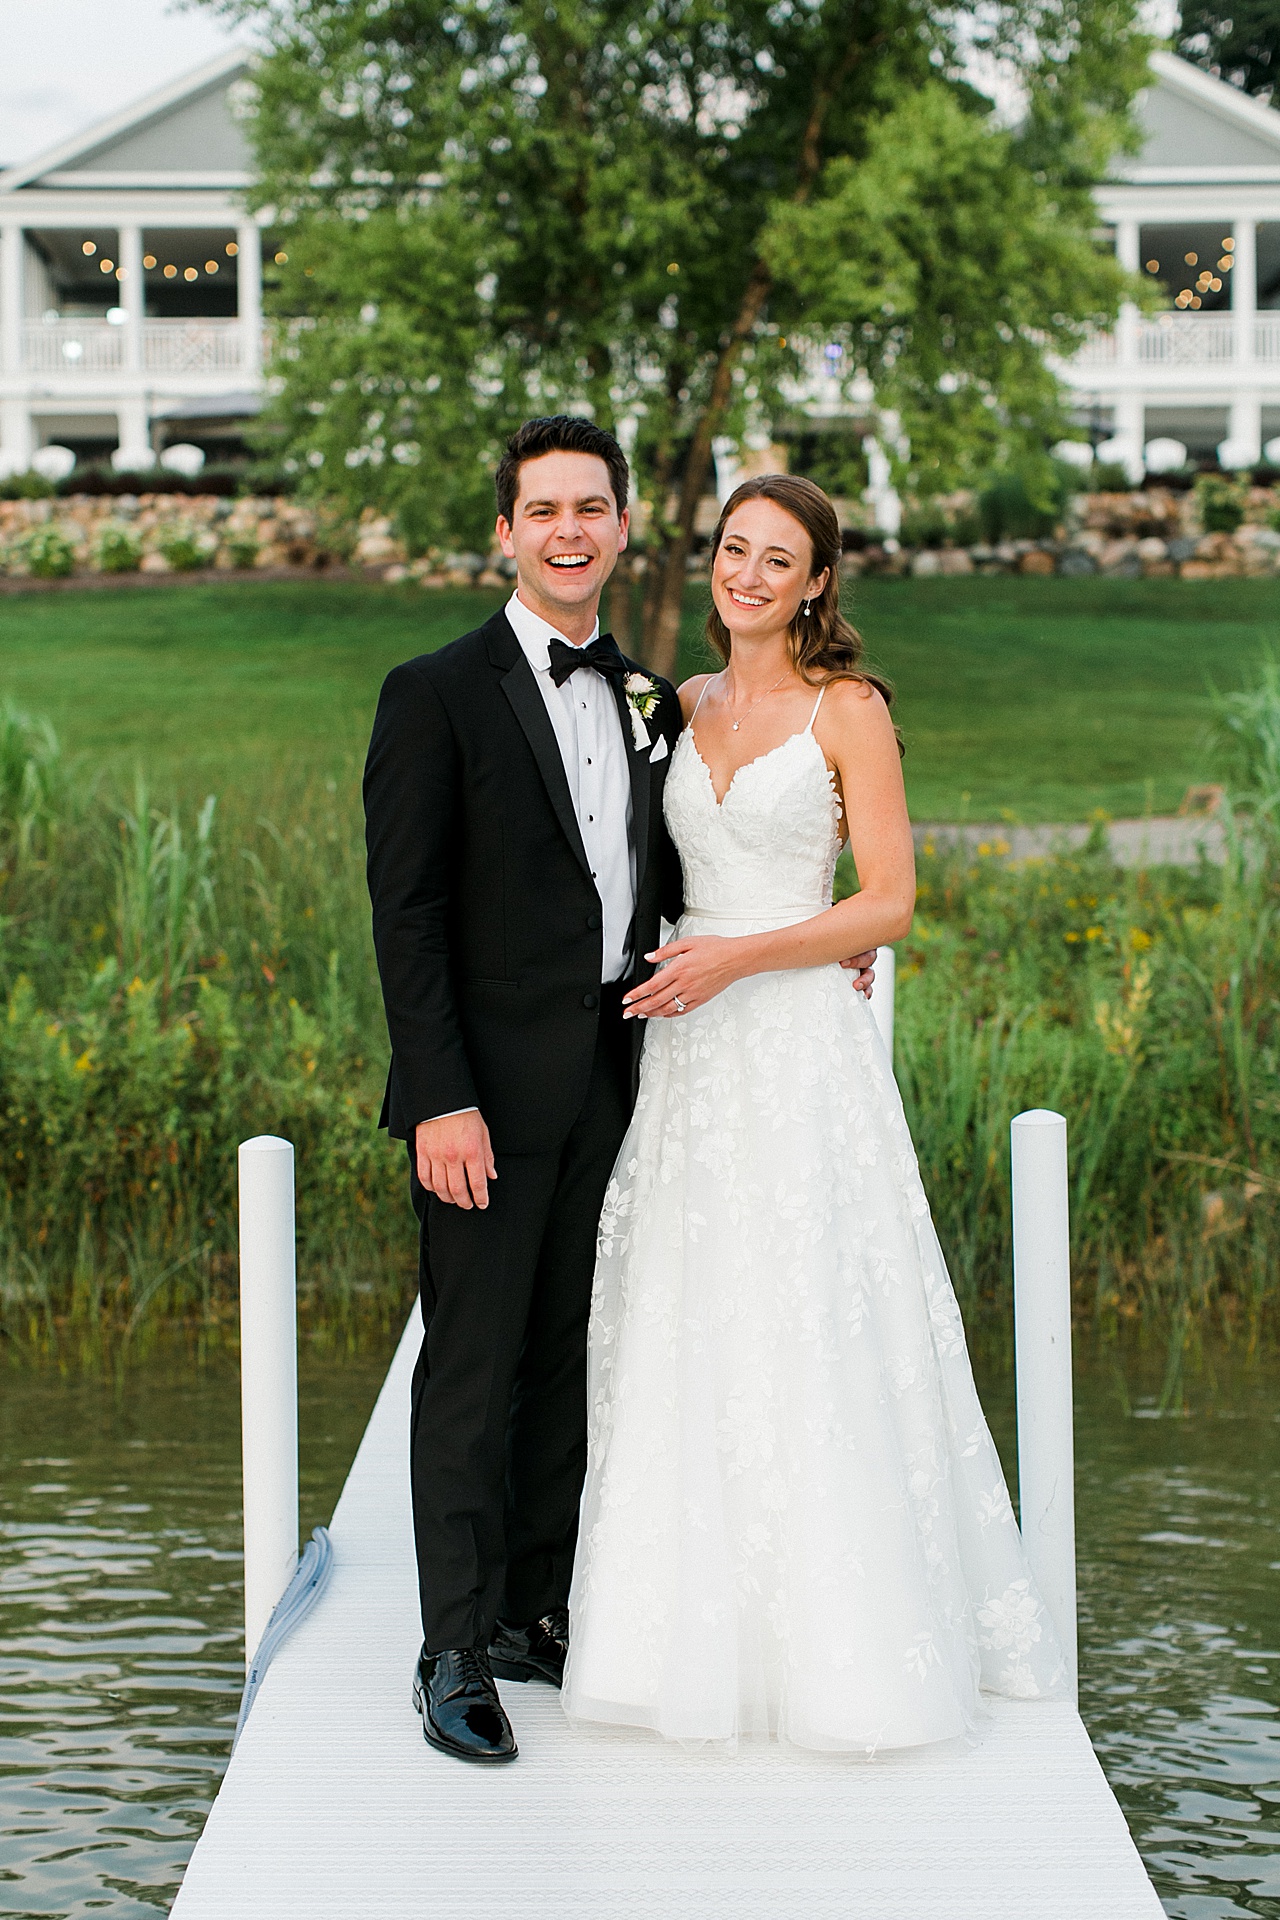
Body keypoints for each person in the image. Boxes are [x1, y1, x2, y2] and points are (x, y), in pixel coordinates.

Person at [364, 414, 882, 1764]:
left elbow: (702, 868)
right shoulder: (434, 693)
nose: (570, 532)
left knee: (569, 1356)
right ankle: (454, 1647)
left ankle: (540, 1609)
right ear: (507, 532)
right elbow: (406, 916)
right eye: (545, 512)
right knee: (471, 1369)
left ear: (621, 525)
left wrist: (817, 950)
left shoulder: (656, 696)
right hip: (483, 1094)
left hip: (629, 1073)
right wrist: (438, 1096)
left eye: (591, 509)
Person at [562, 473, 1070, 1753]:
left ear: (815, 582)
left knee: (805, 1311)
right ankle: (673, 1638)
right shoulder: (678, 705)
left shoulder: (849, 710)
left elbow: (889, 901)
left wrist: (758, 953)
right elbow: (652, 873)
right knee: (695, 1314)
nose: (745, 574)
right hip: (687, 1053)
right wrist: (694, 952)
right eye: (732, 549)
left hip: (789, 1047)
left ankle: (841, 1651)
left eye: (775, 559)